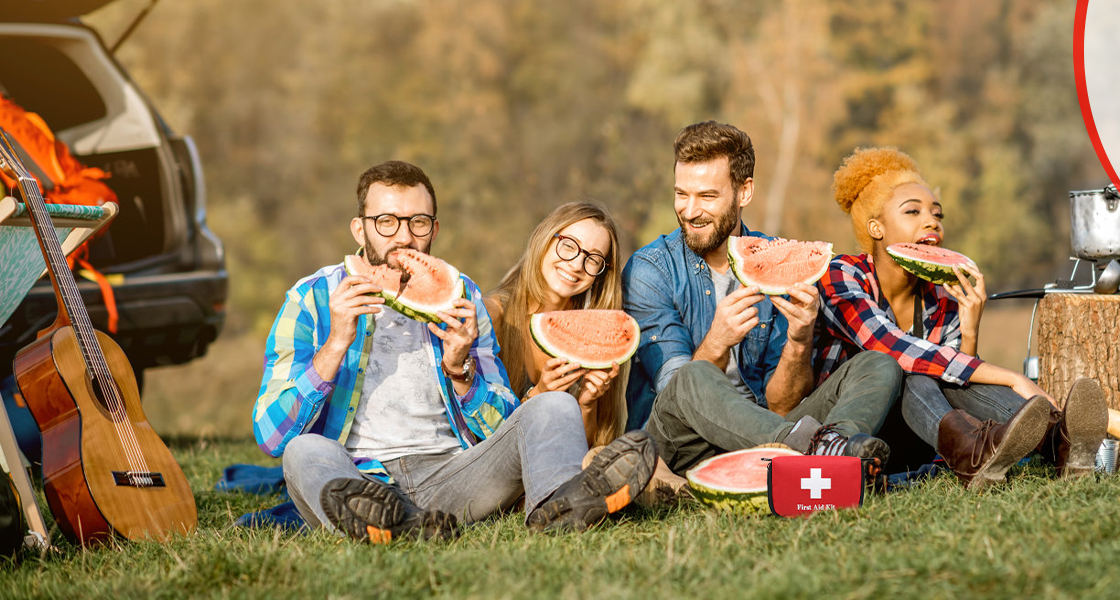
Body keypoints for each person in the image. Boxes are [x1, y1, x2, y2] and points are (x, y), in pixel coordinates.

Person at [253, 161, 656, 542]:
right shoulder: (311, 298)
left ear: (435, 228)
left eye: (419, 222)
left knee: (554, 406)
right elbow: (271, 436)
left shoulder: (462, 297)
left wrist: (460, 369)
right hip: (361, 481)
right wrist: (336, 343)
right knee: (304, 451)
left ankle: (560, 509)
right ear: (360, 229)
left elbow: (500, 425)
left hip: (453, 475)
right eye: (386, 222)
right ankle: (396, 524)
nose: (404, 237)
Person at [816, 147, 1108, 489]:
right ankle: (1022, 446)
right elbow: (888, 347)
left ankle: (1058, 442)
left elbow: (954, 376)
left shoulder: (941, 295)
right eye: (913, 211)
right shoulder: (842, 274)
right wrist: (1012, 378)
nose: (931, 221)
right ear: (876, 227)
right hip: (848, 435)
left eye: (937, 214)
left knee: (930, 376)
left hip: (918, 437)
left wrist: (970, 326)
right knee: (910, 372)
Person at [623, 121, 903, 476]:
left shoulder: (777, 258)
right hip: (680, 449)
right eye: (681, 194)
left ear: (745, 192)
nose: (690, 211)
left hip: (771, 438)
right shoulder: (650, 270)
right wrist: (716, 342)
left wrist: (799, 341)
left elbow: (782, 404)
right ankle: (818, 454)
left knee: (878, 365)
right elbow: (674, 394)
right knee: (693, 375)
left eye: (707, 197)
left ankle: (833, 457)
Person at [485, 201, 687, 503]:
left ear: (600, 274)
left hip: (571, 473)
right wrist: (538, 393)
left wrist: (588, 404)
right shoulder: (495, 315)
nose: (577, 264)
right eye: (569, 246)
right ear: (545, 238)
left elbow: (587, 446)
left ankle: (671, 490)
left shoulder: (596, 330)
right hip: (508, 475)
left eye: (593, 259)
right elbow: (479, 429)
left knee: (619, 448)